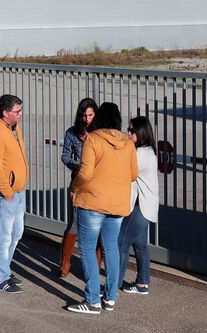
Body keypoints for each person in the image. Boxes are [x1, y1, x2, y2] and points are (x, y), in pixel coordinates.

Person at [66, 102, 138, 315]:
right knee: (111, 248)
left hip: (93, 201)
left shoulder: (93, 139)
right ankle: (110, 297)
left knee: (87, 248)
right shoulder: (128, 143)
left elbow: (86, 173)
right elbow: (134, 174)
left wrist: (75, 188)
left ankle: (92, 300)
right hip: (117, 204)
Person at [0, 94, 28, 293]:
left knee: (16, 234)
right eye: (17, 111)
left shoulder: (14, 129)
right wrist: (7, 193)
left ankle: (5, 269)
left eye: (20, 110)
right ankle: (1, 277)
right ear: (5, 113)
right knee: (4, 237)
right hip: (4, 195)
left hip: (18, 192)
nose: (20, 114)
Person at [118, 116, 159, 295]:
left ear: (141, 133)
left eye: (131, 131)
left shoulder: (141, 154)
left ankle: (114, 286)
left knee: (121, 244)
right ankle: (142, 283)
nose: (128, 133)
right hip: (144, 206)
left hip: (141, 208)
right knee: (140, 245)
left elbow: (124, 171)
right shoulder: (147, 151)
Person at [59, 97, 98, 277]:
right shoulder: (72, 133)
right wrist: (76, 166)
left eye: (90, 115)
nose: (87, 119)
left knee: (97, 224)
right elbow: (65, 156)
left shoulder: (100, 133)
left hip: (98, 183)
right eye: (84, 115)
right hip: (78, 182)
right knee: (74, 223)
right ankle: (65, 260)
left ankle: (95, 264)